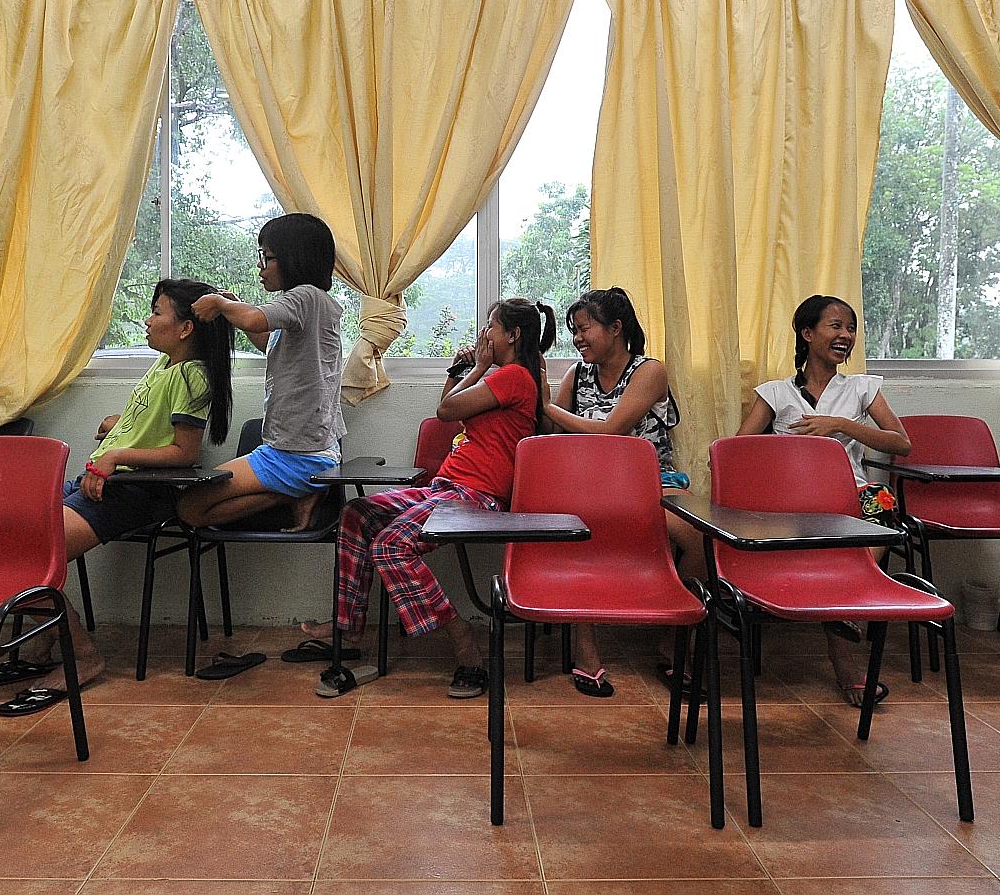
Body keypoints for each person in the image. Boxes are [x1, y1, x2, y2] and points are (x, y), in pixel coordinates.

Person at [0, 278, 234, 717]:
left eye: (157, 312)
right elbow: (154, 421)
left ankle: (83, 655)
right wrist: (120, 424)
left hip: (133, 493)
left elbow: (185, 451)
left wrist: (118, 454)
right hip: (107, 483)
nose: (148, 320)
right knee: (6, 545)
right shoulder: (164, 366)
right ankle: (52, 633)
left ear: (185, 328)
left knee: (25, 558)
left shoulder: (193, 374)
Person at [303, 298, 556, 699]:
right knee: (357, 514)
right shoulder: (501, 377)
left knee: (390, 546)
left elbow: (444, 409)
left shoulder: (515, 378)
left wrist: (476, 368)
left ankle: (463, 639)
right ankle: (348, 626)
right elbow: (450, 410)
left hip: (476, 496)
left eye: (491, 325)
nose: (484, 333)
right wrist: (462, 369)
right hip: (445, 488)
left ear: (513, 335)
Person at [736, 294, 911, 707]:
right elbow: (737, 450)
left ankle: (843, 608)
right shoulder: (776, 393)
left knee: (882, 505)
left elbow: (901, 443)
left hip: (849, 497)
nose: (845, 336)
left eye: (850, 328)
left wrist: (841, 424)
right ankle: (842, 629)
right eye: (835, 326)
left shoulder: (862, 389)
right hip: (792, 505)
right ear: (807, 333)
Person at [541, 287, 703, 698]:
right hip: (591, 489)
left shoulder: (650, 371)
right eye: (573, 331)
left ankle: (672, 636)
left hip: (655, 484)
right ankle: (586, 647)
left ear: (616, 328)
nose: (577, 339)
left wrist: (546, 405)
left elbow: (614, 431)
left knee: (699, 536)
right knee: (575, 533)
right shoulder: (578, 375)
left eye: (584, 329)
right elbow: (552, 433)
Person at [176, 212, 346, 533]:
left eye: (266, 257)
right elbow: (266, 338)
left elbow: (255, 319)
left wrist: (220, 304)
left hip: (299, 457)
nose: (260, 266)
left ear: (294, 259)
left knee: (190, 507)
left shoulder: (306, 296)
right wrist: (234, 305)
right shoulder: (306, 305)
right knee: (193, 510)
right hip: (295, 451)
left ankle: (293, 493)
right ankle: (294, 493)